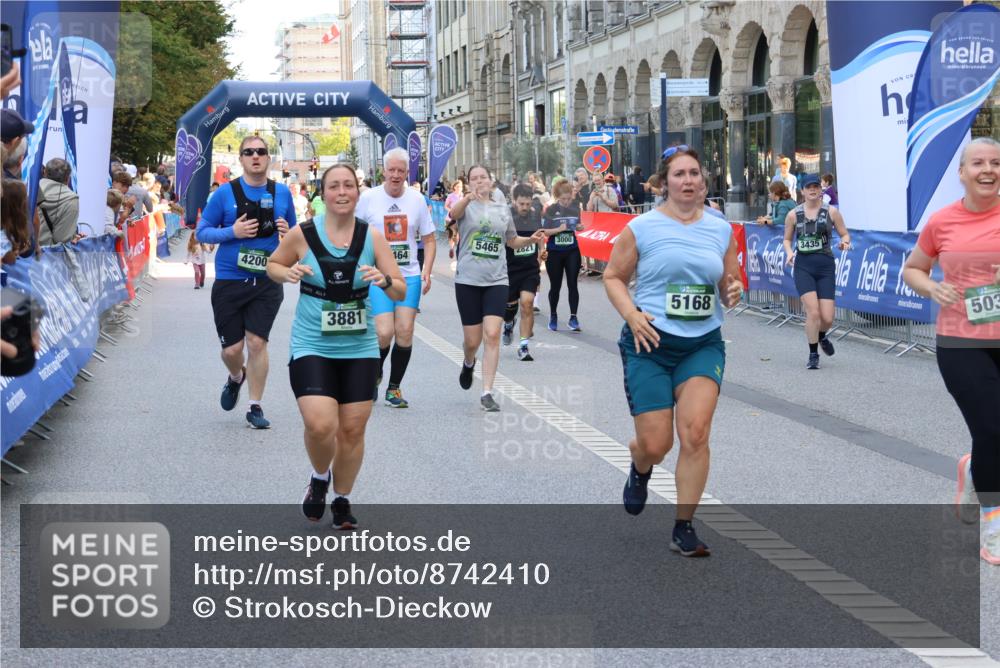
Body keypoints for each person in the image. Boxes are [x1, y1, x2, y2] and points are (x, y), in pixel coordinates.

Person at [603, 146, 743, 557]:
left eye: (695, 173)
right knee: (657, 443)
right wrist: (632, 315)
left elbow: (729, 287)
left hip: (702, 343)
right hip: (650, 343)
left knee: (695, 433)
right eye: (679, 174)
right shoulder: (642, 228)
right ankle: (640, 463)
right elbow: (613, 276)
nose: (688, 181)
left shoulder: (721, 231)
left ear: (704, 181)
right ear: (665, 184)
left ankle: (683, 526)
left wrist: (733, 291)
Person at [266, 163, 405, 528]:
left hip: (359, 346)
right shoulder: (304, 234)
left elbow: (401, 288)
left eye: (349, 186)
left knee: (353, 429)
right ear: (323, 193)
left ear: (357, 193)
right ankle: (319, 477)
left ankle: (342, 499)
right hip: (312, 342)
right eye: (334, 186)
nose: (342, 192)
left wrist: (384, 279)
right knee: (320, 424)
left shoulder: (372, 237)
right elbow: (273, 265)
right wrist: (289, 272)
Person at [902, 136, 1000, 565]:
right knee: (994, 429)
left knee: (991, 435)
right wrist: (933, 287)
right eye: (978, 162)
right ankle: (995, 523)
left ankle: (972, 468)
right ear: (962, 172)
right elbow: (913, 270)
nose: (988, 170)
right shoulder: (943, 222)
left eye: (996, 163)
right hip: (962, 341)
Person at [196, 135, 296, 429]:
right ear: (240, 159)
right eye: (249, 152)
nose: (255, 156)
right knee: (232, 350)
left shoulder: (283, 194)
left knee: (256, 343)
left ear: (268, 158)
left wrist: (286, 231)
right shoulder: (224, 194)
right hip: (230, 280)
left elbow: (294, 236)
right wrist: (233, 232)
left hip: (267, 280)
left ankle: (255, 405)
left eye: (261, 152)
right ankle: (236, 376)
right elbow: (202, 232)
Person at [447, 165, 547, 411]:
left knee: (492, 334)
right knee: (472, 340)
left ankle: (487, 392)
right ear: (469, 182)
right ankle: (469, 361)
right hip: (468, 280)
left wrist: (531, 240)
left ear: (491, 181)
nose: (479, 181)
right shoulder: (465, 205)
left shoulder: (503, 209)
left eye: (483, 177)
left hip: (497, 280)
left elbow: (511, 240)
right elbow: (452, 215)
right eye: (474, 178)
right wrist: (469, 196)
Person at [355, 148, 436, 408]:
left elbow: (430, 239)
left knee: (404, 332)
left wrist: (427, 270)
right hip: (378, 276)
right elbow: (353, 233)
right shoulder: (368, 198)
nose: (396, 175)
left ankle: (394, 388)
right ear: (384, 171)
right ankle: (375, 372)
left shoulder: (417, 200)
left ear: (407, 173)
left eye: (401, 171)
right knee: (383, 332)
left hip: (409, 275)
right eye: (392, 170)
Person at [782, 174, 851, 369]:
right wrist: (789, 253)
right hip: (803, 266)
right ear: (802, 191)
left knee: (828, 318)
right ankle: (813, 354)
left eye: (815, 187)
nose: (812, 190)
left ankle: (821, 335)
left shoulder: (831, 212)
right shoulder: (793, 215)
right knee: (813, 313)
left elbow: (844, 233)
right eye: (808, 187)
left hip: (825, 266)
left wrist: (845, 242)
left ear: (821, 190)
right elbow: (787, 239)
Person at [503, 184, 546, 360]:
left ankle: (524, 346)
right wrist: (529, 240)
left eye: (528, 204)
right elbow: (508, 242)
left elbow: (540, 235)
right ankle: (508, 323)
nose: (525, 208)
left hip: (530, 269)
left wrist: (542, 251)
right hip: (510, 269)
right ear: (514, 202)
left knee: (527, 304)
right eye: (521, 204)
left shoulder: (536, 215)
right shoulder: (507, 217)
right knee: (509, 309)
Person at [542, 179, 587, 332]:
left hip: (572, 250)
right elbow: (544, 232)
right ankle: (553, 316)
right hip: (554, 251)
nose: (567, 202)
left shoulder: (575, 208)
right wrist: (558, 230)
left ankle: (573, 317)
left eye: (569, 198)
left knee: (573, 284)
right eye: (563, 199)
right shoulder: (550, 209)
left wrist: (579, 227)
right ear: (557, 197)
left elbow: (577, 225)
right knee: (555, 286)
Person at [36, 158, 80, 246]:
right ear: (68, 178)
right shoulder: (71, 199)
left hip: (23, 253)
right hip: (49, 256)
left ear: (45, 173)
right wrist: (73, 238)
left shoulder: (30, 188)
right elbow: (63, 240)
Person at [445, 179, 465, 259]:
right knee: (451, 234)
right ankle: (451, 248)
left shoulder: (463, 196)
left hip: (460, 219)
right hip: (451, 219)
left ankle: (457, 248)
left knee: (458, 236)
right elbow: (446, 206)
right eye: (457, 187)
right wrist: (451, 211)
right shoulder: (450, 196)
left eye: (460, 187)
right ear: (454, 187)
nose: (459, 188)